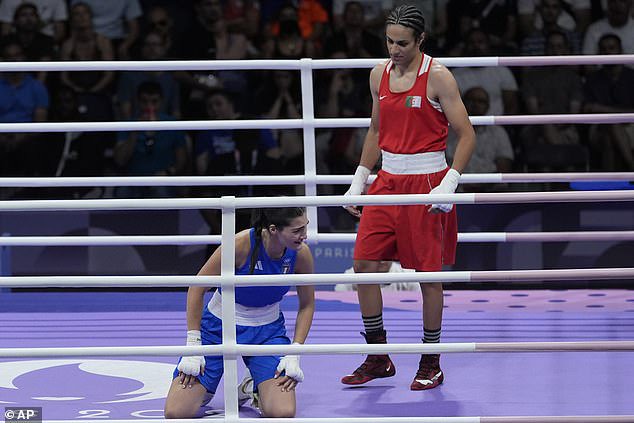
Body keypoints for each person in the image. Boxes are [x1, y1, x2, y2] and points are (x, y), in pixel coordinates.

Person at [341, 5, 475, 391]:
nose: (394, 49)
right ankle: (378, 356)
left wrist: (450, 181)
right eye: (389, 41)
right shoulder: (377, 74)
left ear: (420, 40)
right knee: (364, 267)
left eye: (402, 43)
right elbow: (374, 129)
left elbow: (466, 135)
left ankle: (431, 360)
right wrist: (359, 179)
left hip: (427, 181)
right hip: (386, 181)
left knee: (428, 277)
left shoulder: (438, 77)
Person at [164, 207, 315, 418]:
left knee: (282, 412)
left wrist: (294, 352)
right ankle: (205, 390)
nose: (304, 235)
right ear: (273, 229)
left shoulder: (301, 254)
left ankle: (253, 385)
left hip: (267, 332)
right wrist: (193, 344)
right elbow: (197, 288)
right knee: (176, 412)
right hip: (218, 328)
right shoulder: (239, 245)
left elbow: (307, 304)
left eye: (305, 227)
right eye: (297, 230)